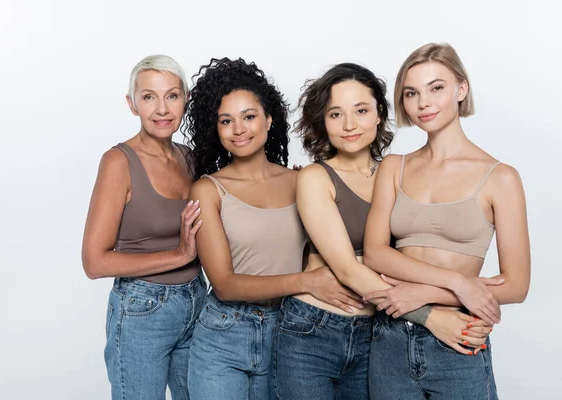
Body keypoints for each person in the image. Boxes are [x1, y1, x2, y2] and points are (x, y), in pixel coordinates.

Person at [271, 63, 493, 400]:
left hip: (378, 332)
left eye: (361, 110)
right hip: (313, 331)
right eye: (335, 114)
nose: (349, 125)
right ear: (323, 122)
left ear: (379, 114)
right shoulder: (314, 178)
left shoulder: (399, 173)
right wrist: (432, 316)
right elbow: (347, 268)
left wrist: (464, 296)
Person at [184, 57, 363, 400]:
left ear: (269, 119)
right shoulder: (207, 190)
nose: (239, 129)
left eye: (249, 116)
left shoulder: (303, 181)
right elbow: (224, 284)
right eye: (226, 121)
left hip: (290, 332)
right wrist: (305, 282)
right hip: (224, 336)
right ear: (216, 129)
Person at [363, 43, 531, 399]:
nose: (423, 102)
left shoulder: (500, 178)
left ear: (461, 89)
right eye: (412, 93)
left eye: (436, 87)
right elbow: (375, 254)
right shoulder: (394, 167)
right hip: (390, 340)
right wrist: (458, 282)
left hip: (460, 338)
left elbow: (516, 286)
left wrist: (425, 293)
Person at [81, 55, 206, 400]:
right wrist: (179, 254)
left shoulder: (191, 158)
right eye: (149, 96)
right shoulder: (119, 161)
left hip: (197, 301)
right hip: (143, 310)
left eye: (172, 95)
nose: (162, 108)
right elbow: (95, 263)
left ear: (186, 99)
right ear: (132, 104)